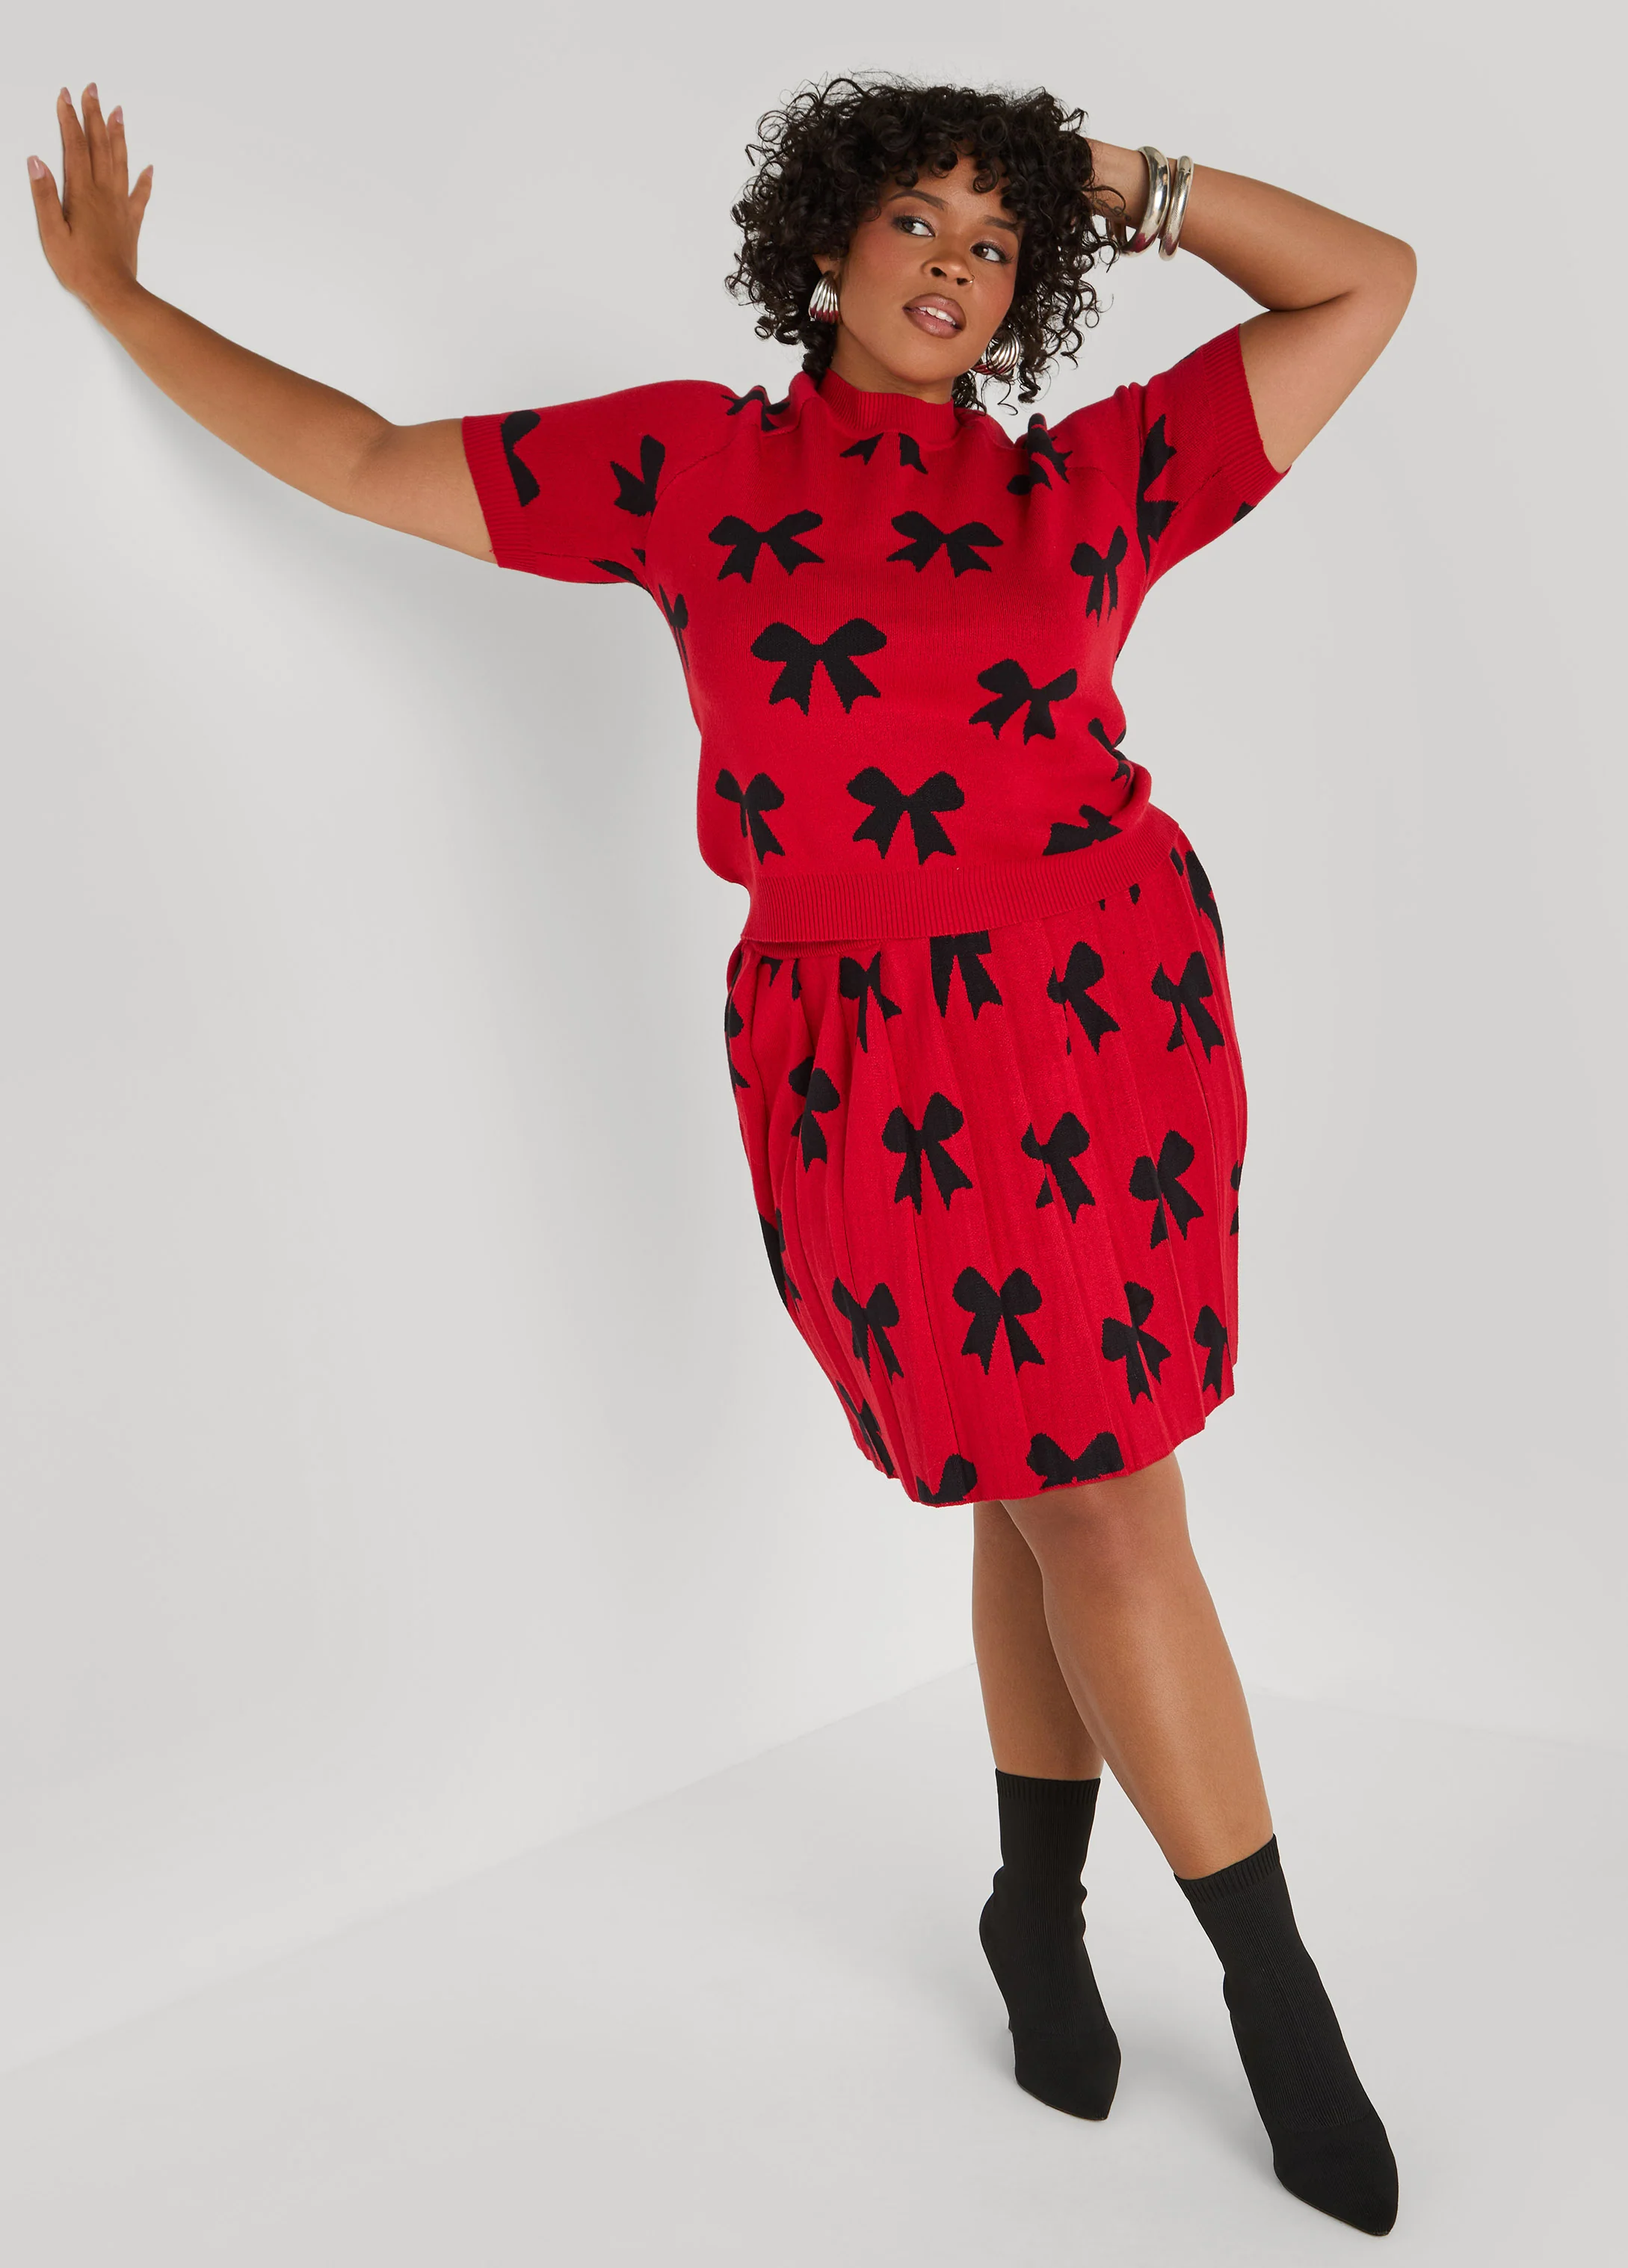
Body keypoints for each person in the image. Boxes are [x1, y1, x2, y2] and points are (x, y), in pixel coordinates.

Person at [28, 71, 1415, 2236]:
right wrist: (125, 304)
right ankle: (1083, 1926)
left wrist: (1106, 180)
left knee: (1092, 1492)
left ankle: (1250, 1995)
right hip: (866, 1052)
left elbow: (1367, 286)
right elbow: (369, 459)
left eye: (997, 243)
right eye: (917, 220)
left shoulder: (1084, 487)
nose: (955, 266)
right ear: (827, 241)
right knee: (1037, 1476)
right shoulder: (692, 466)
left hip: (1104, 1018)